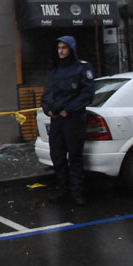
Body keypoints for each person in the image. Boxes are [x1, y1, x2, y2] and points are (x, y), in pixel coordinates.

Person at [41, 36, 94, 206]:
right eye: (59, 48)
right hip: (56, 119)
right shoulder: (55, 68)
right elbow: (47, 92)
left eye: (64, 47)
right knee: (57, 156)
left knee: (75, 157)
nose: (61, 51)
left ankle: (77, 193)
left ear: (71, 49)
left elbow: (87, 94)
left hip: (73, 119)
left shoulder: (82, 68)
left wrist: (68, 109)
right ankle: (63, 191)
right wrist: (47, 108)